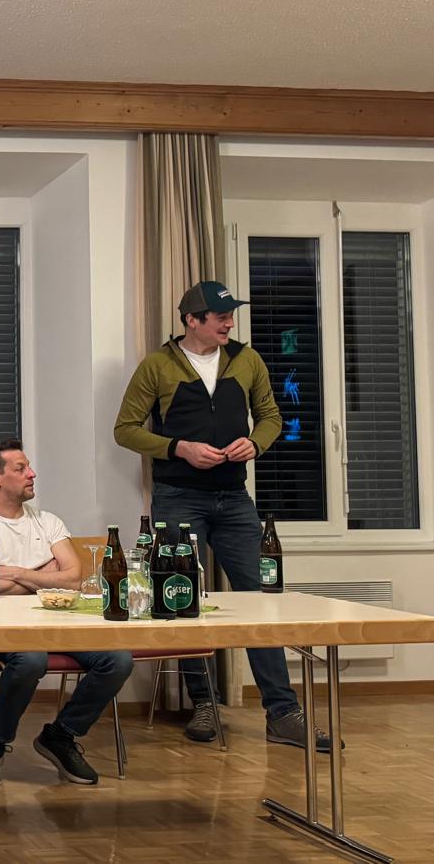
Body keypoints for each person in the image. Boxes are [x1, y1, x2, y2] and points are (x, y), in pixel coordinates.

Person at [114, 280, 334, 752]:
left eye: (231, 315)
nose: (229, 323)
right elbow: (125, 430)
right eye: (220, 316)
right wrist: (179, 448)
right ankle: (204, 704)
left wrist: (256, 443)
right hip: (177, 498)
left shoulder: (247, 360)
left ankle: (282, 712)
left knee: (262, 600)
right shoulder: (157, 365)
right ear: (192, 320)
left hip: (235, 499)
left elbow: (271, 416)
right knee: (182, 599)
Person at [0, 440, 134, 787]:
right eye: (20, 469)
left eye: (29, 467)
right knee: (31, 659)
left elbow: (74, 578)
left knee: (119, 659)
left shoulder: (48, 521)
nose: (32, 474)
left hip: (58, 620)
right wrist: (43, 574)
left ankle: (61, 735)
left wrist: (16, 573)